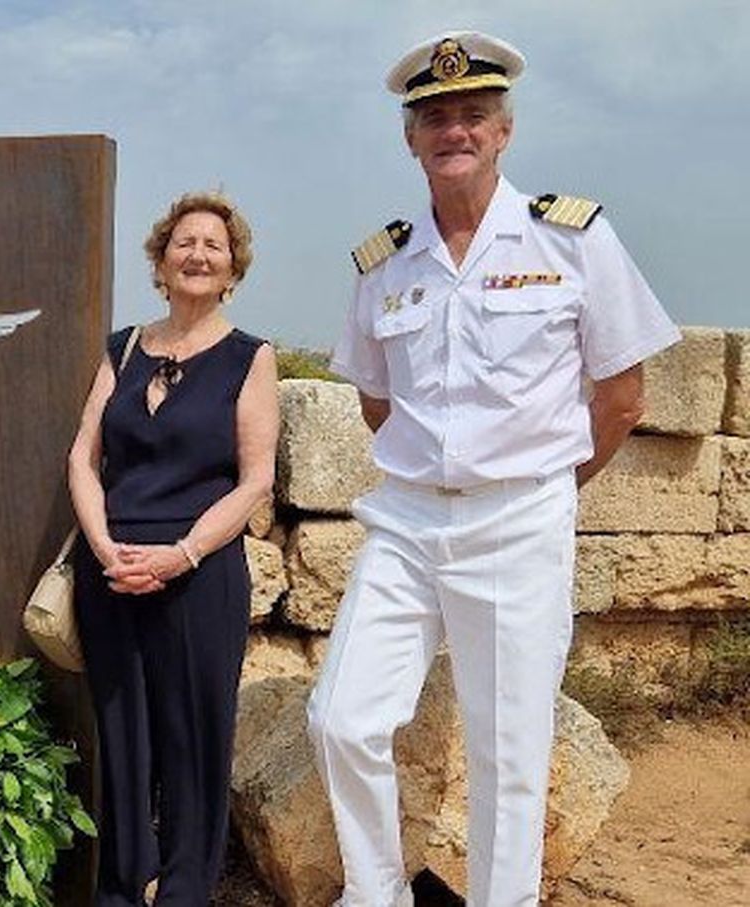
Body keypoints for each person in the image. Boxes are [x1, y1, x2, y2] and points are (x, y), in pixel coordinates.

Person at [305, 31, 682, 906]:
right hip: (405, 520)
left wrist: (542, 488)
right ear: (410, 138)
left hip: (518, 518)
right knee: (341, 717)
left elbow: (623, 395)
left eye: (473, 115)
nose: (454, 131)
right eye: (435, 118)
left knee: (509, 748)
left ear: (504, 131)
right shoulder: (385, 262)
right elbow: (373, 397)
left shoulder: (571, 239)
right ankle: (377, 892)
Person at [67, 191, 279, 905]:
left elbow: (254, 480)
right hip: (113, 571)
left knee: (194, 742)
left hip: (199, 573)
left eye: (213, 246)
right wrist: (102, 545)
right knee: (122, 740)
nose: (197, 254)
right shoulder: (122, 348)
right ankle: (123, 890)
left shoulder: (251, 358)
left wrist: (181, 553)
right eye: (184, 242)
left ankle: (186, 890)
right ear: (161, 261)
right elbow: (82, 459)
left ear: (231, 269)